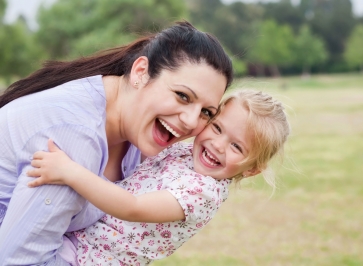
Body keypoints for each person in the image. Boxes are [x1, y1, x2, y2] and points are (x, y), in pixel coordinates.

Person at [0, 21, 233, 265]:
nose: (190, 121)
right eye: (182, 96)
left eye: (206, 112)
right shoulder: (74, 139)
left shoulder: (135, 131)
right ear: (141, 72)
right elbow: (18, 260)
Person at [27, 90, 291, 265]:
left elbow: (133, 207)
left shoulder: (203, 193)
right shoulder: (189, 152)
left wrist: (71, 172)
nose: (218, 145)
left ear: (252, 169)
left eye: (236, 147)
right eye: (218, 128)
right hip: (78, 236)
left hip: (89, 258)